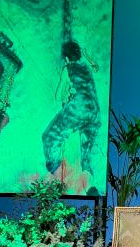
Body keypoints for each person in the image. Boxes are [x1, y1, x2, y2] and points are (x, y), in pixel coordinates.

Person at [42, 39, 100, 192]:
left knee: (48, 137)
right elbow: (96, 67)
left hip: (77, 111)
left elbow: (58, 96)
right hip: (94, 114)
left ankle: (57, 179)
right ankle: (90, 188)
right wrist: (88, 57)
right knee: (86, 159)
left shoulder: (67, 68)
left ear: (67, 58)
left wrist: (67, 96)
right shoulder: (86, 67)